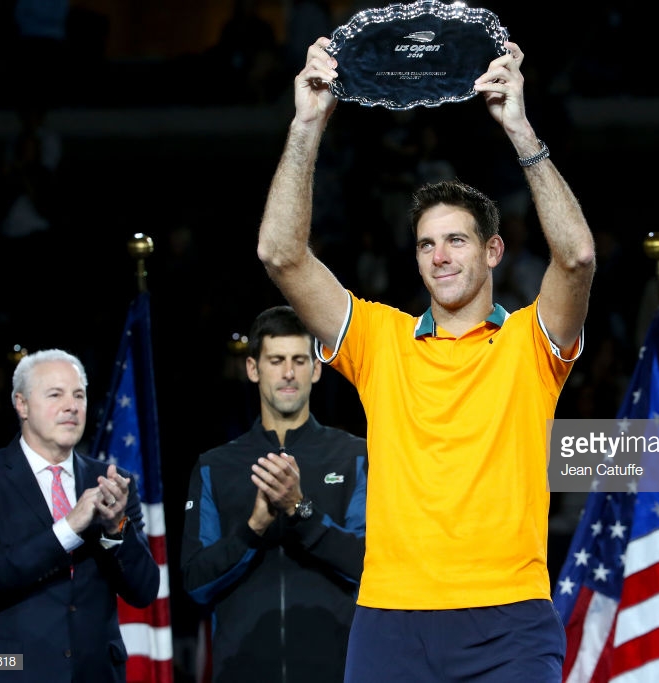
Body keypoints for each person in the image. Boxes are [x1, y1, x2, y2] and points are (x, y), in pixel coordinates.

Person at [256, 37, 595, 682]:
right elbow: (280, 254)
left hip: (509, 622)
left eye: (457, 240)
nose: (440, 256)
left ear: (493, 251)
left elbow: (576, 257)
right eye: (426, 245)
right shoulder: (379, 341)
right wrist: (306, 126)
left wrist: (519, 129)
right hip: (392, 620)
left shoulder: (531, 342)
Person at [0, 349, 160, 682]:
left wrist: (115, 529)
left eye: (79, 395)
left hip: (96, 672)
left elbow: (144, 590)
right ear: (22, 404)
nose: (72, 406)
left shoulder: (114, 481)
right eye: (55, 394)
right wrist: (69, 528)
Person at [181, 306, 367, 683]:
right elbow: (195, 583)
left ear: (316, 369)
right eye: (276, 360)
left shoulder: (354, 456)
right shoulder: (214, 466)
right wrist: (254, 527)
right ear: (253, 369)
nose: (287, 373)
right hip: (241, 672)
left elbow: (372, 566)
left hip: (334, 671)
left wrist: (301, 510)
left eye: (299, 360)